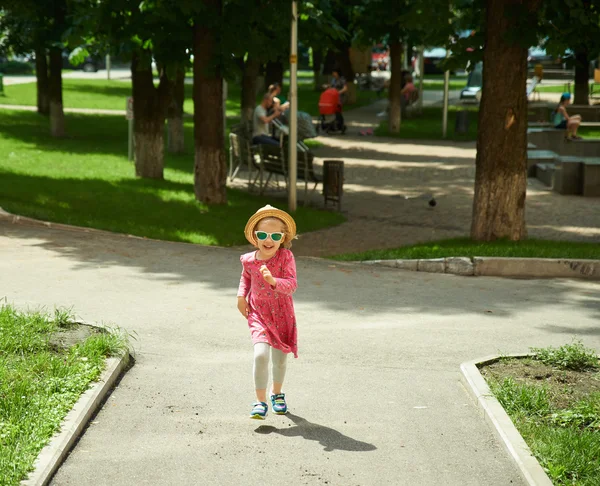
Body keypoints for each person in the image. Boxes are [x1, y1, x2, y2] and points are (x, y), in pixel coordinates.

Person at [237, 205, 298, 420]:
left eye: (275, 235)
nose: (268, 240)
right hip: (258, 314)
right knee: (261, 355)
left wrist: (273, 281)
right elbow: (246, 278)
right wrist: (240, 297)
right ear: (255, 237)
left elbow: (291, 284)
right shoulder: (249, 260)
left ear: (283, 237)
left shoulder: (285, 258)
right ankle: (260, 401)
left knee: (280, 360)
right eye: (262, 234)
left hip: (282, 314)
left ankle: (277, 393)